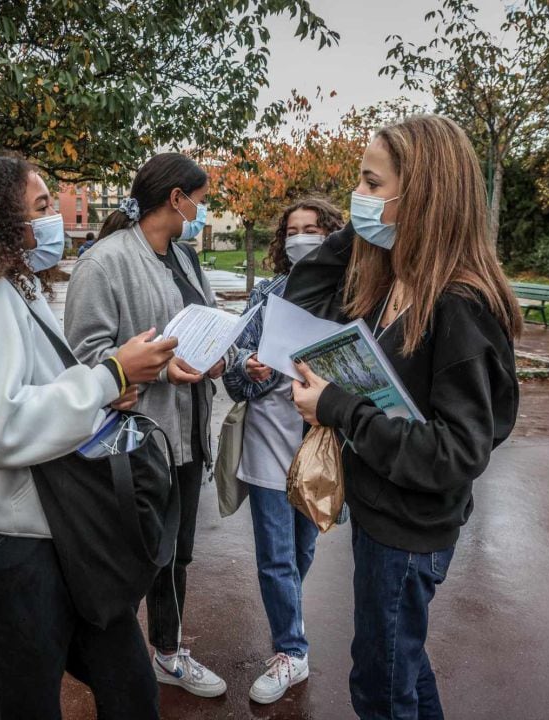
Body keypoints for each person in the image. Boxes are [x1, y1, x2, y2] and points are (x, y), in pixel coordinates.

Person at [0, 154, 177, 720]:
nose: (55, 216)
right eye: (42, 206)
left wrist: (105, 389)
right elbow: (1, 428)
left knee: (131, 688)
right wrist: (110, 376)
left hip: (57, 532)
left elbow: (39, 386)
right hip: (4, 545)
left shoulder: (13, 286)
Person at [284, 115, 522, 720]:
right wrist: (364, 230)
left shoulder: (459, 303)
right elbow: (303, 292)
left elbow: (458, 452)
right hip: (384, 510)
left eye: (370, 184)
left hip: (409, 531)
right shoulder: (399, 278)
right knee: (405, 672)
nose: (355, 199)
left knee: (380, 689)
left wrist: (338, 407)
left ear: (421, 196)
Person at [64, 152, 235, 699]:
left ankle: (166, 652)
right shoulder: (104, 263)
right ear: (176, 199)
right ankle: (103, 663)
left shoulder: (185, 258)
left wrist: (219, 357)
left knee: (175, 554)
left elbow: (207, 321)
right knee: (127, 558)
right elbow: (86, 356)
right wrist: (162, 369)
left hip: (187, 438)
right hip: (135, 442)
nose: (203, 213)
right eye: (201, 202)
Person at [221, 197, 344, 704]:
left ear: (331, 236)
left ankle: (287, 615)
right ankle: (291, 651)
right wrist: (249, 368)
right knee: (276, 557)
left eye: (312, 229)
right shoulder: (268, 295)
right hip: (268, 445)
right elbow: (232, 373)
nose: (301, 238)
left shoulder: (351, 296)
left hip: (321, 448)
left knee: (301, 550)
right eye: (292, 231)